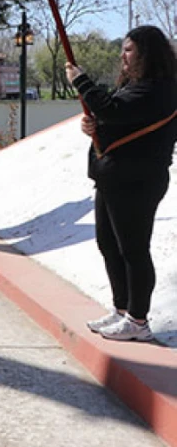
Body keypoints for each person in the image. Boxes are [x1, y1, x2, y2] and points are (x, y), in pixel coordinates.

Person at [68, 25, 177, 342]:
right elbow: (113, 118)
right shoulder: (135, 86)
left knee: (133, 249)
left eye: (128, 50)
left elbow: (113, 110)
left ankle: (138, 319)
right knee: (109, 244)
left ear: (147, 53)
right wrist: (93, 126)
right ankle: (121, 308)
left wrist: (81, 80)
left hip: (138, 180)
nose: (122, 56)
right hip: (113, 177)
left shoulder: (161, 89)